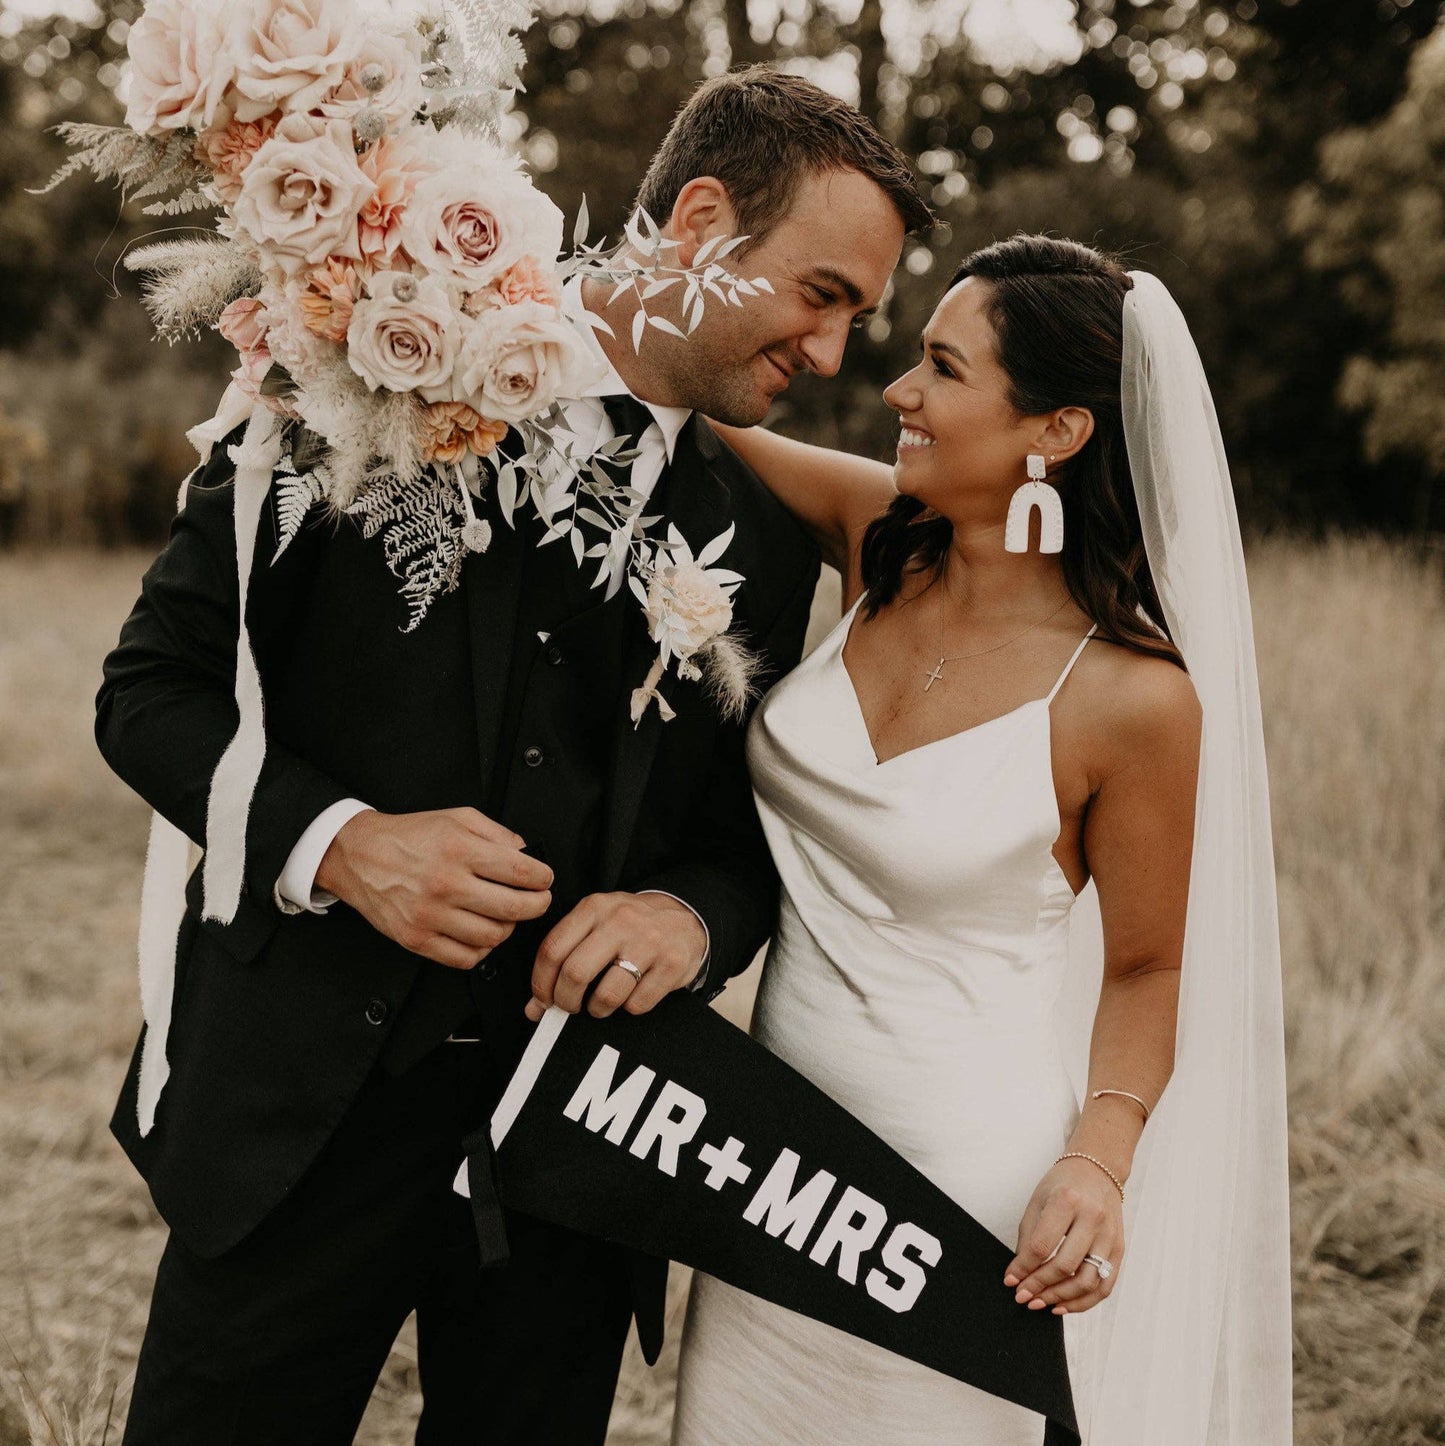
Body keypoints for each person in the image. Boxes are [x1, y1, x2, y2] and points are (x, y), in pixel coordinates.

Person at [98, 68, 931, 1446]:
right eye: (820, 294)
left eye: (855, 317)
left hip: (576, 1149)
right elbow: (152, 690)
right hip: (306, 1109)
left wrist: (687, 918)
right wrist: (342, 844)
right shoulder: (363, 357)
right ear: (703, 219)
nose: (833, 354)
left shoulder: (765, 535)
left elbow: (737, 845)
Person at [673, 235, 1292, 1443]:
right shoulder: (876, 539)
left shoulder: (1130, 699)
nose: (897, 391)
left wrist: (1097, 1162)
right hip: (770, 1172)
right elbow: (690, 403)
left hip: (958, 1198)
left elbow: (1147, 968)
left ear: (1054, 432)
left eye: (942, 370)